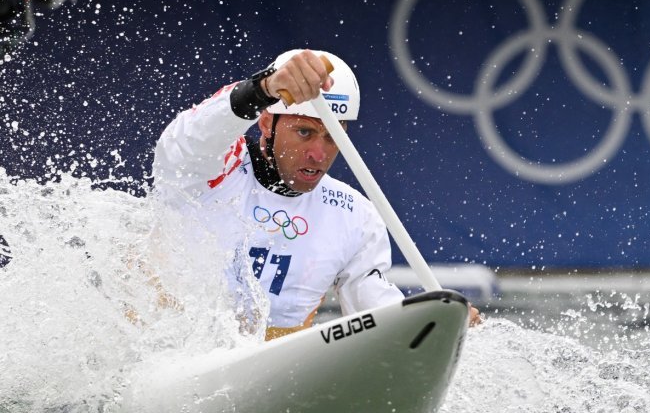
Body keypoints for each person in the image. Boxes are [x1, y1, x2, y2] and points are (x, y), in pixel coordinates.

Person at [153, 49, 479, 340]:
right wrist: (263, 88)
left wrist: (435, 327)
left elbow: (376, 313)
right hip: (167, 345)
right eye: (304, 132)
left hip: (271, 371)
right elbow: (189, 137)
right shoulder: (209, 170)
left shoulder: (355, 216)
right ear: (266, 123)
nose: (319, 155)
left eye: (332, 136)